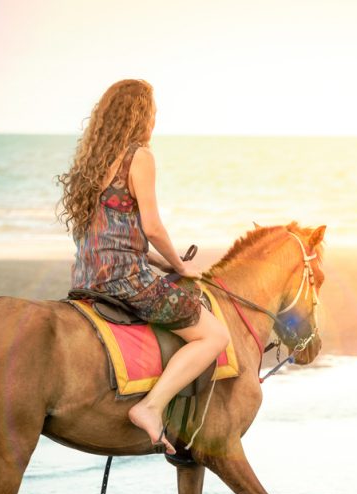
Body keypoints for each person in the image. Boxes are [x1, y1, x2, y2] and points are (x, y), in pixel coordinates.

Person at [57, 79, 229, 455]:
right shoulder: (139, 157)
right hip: (124, 282)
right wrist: (178, 267)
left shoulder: (94, 163)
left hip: (87, 279)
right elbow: (151, 227)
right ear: (142, 115)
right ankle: (150, 407)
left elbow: (112, 236)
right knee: (214, 336)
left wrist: (160, 260)